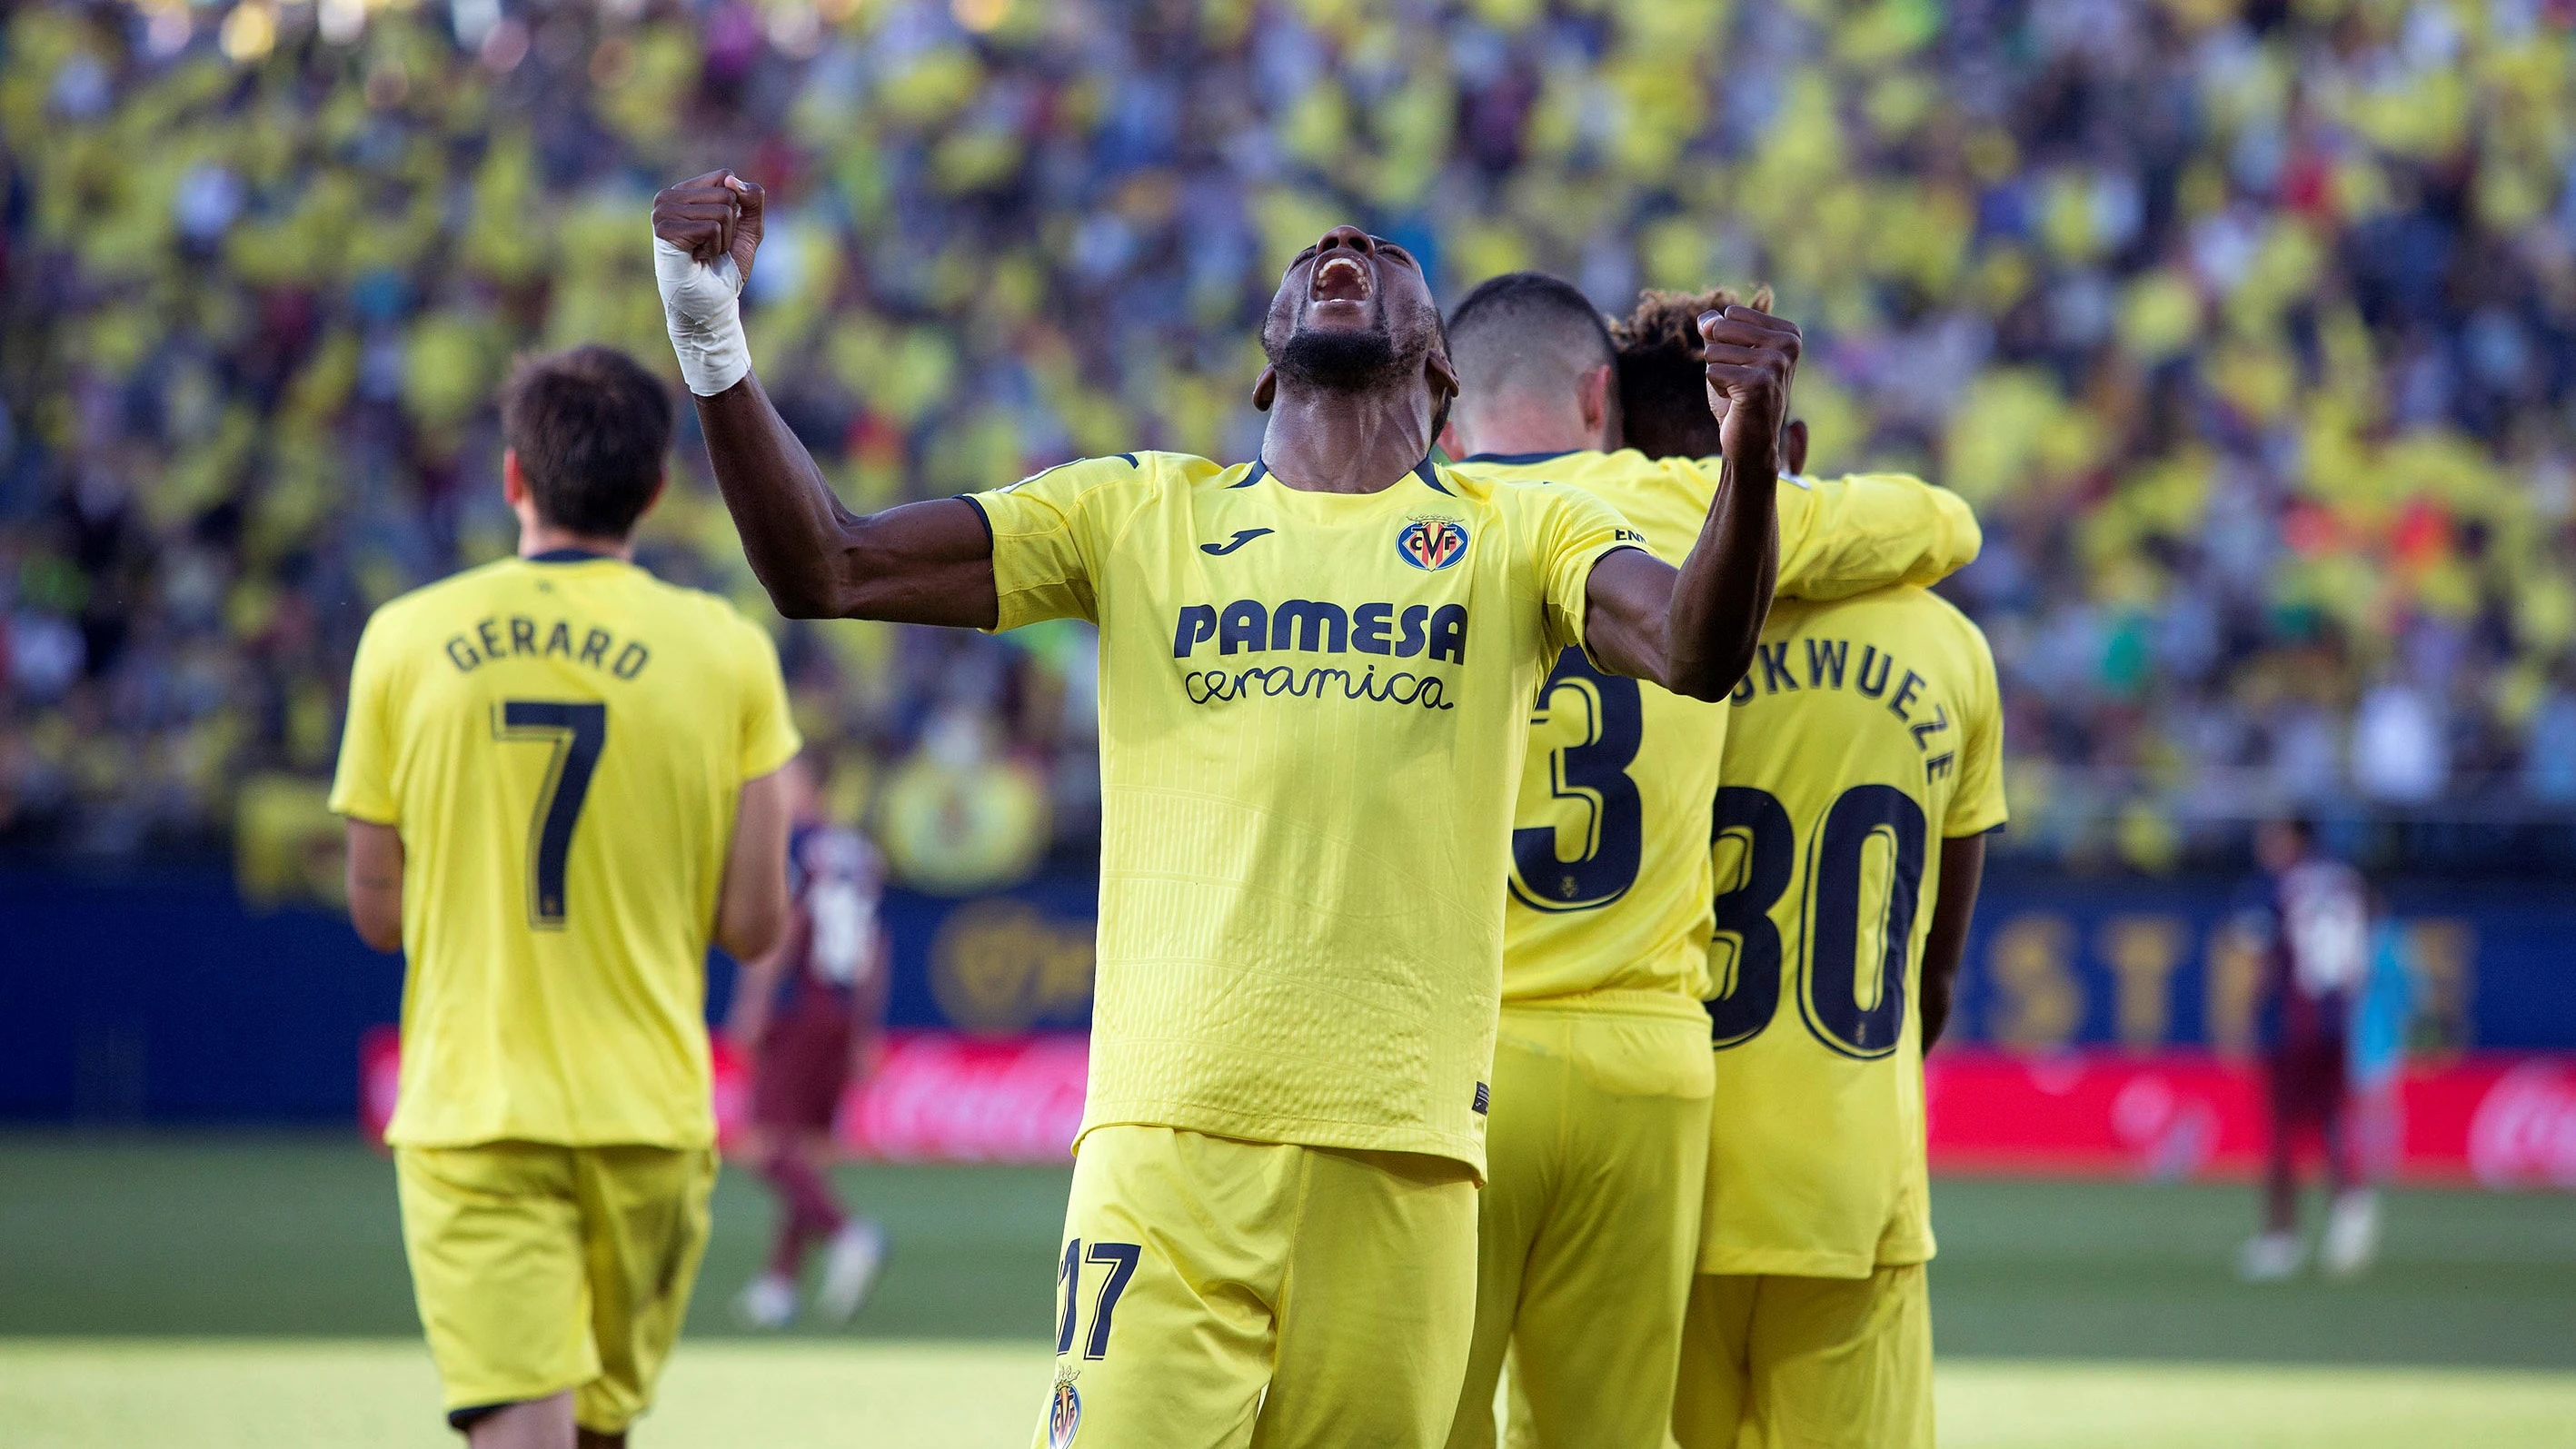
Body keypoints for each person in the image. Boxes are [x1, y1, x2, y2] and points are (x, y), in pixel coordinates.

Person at [651, 169, 1791, 1449]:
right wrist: (708, 333)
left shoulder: (1514, 532)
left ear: (1439, 378)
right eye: (1315, 248)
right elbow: (830, 564)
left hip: (1404, 1154)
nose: (1342, 242)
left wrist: (1745, 450)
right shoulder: (1134, 512)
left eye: (1380, 249)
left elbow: (1697, 650)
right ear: (1264, 367)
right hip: (1166, 1146)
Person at [1433, 275, 1981, 1449]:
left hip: (1451, 1061)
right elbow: (1935, 520)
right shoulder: (1676, 509)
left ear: (1442, 409)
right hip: (1651, 1072)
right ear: (1596, 402)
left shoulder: (1401, 522)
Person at [330, 345, 801, 1448]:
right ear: (653, 488)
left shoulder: (403, 640)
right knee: (592, 1433)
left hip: (479, 1109)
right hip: (651, 1119)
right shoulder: (727, 653)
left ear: (511, 478)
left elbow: (377, 912)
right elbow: (755, 922)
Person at [1600, 293, 2006, 1449]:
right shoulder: (1947, 645)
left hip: (1650, 1171)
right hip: (1850, 1176)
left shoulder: (1599, 637)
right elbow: (1934, 972)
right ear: (1796, 453)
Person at [723, 751, 892, 1330]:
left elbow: (786, 926)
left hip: (798, 1009)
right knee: (802, 1150)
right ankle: (778, 1286)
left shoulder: (793, 844)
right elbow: (876, 947)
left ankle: (849, 1234)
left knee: (763, 1146)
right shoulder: (860, 853)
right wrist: (864, 1031)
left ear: (806, 784)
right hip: (841, 1012)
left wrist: (752, 1003)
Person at [2237, 816, 2374, 1283]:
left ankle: (2281, 1237)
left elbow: (2261, 955)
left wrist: (2251, 1012)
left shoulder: (2277, 886)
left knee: (2280, 1131)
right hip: (2338, 1019)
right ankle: (2350, 1206)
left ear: (2294, 839)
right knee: (2334, 1118)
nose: (2266, 844)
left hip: (2293, 1023)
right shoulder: (2346, 881)